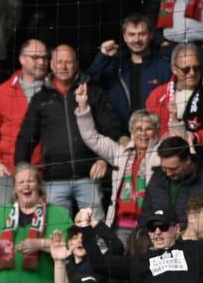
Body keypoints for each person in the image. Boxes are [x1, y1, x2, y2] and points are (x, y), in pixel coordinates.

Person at [14, 44, 125, 215]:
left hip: (90, 177)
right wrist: (20, 171)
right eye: (59, 62)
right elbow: (26, 138)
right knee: (57, 233)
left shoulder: (93, 92)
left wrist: (103, 159)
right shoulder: (40, 99)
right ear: (51, 65)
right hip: (54, 181)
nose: (63, 67)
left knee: (96, 232)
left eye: (68, 62)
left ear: (76, 64)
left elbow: (112, 129)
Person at [75, 83, 161, 239]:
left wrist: (175, 121)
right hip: (120, 227)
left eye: (148, 129)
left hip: (151, 227)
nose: (143, 133)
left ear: (156, 132)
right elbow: (91, 137)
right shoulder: (120, 152)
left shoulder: (161, 153)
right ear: (131, 132)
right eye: (138, 129)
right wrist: (82, 106)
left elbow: (177, 145)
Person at [0, 39, 49, 209]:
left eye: (45, 58)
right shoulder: (4, 91)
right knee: (2, 222)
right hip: (10, 171)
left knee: (48, 224)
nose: (41, 62)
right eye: (35, 57)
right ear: (21, 59)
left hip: (48, 172)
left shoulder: (56, 89)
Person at [85, 13, 172, 121]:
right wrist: (102, 56)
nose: (137, 39)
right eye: (131, 34)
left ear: (151, 35)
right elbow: (86, 82)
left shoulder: (165, 67)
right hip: (120, 135)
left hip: (154, 132)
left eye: (142, 34)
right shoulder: (114, 66)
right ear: (124, 37)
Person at [144, 42, 203, 156]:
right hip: (166, 157)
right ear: (174, 69)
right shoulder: (157, 95)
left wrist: (197, 137)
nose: (192, 73)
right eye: (186, 69)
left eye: (196, 68)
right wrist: (170, 137)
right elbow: (150, 128)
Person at [143, 134, 203, 227]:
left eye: (174, 169)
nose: (168, 173)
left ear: (188, 160)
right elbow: (145, 216)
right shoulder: (157, 178)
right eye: (164, 168)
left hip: (196, 240)